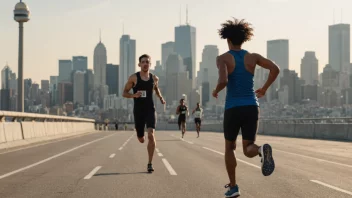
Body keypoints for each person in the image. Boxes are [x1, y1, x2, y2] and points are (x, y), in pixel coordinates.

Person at [213, 18, 280, 197]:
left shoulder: (223, 58)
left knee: (230, 148)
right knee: (248, 147)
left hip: (233, 108)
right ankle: (260, 149)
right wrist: (264, 88)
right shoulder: (253, 57)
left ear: (227, 39)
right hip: (252, 106)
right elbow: (275, 69)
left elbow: (223, 80)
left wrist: (215, 91)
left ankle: (234, 187)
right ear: (244, 39)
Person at [122, 54, 166, 173]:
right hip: (138, 112)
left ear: (150, 64)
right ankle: (140, 134)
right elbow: (124, 93)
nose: (145, 63)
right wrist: (133, 95)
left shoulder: (154, 78)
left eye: (147, 62)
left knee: (151, 135)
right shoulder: (134, 78)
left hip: (150, 110)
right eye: (143, 62)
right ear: (139, 64)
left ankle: (150, 163)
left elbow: (156, 88)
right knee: (141, 139)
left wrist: (161, 98)